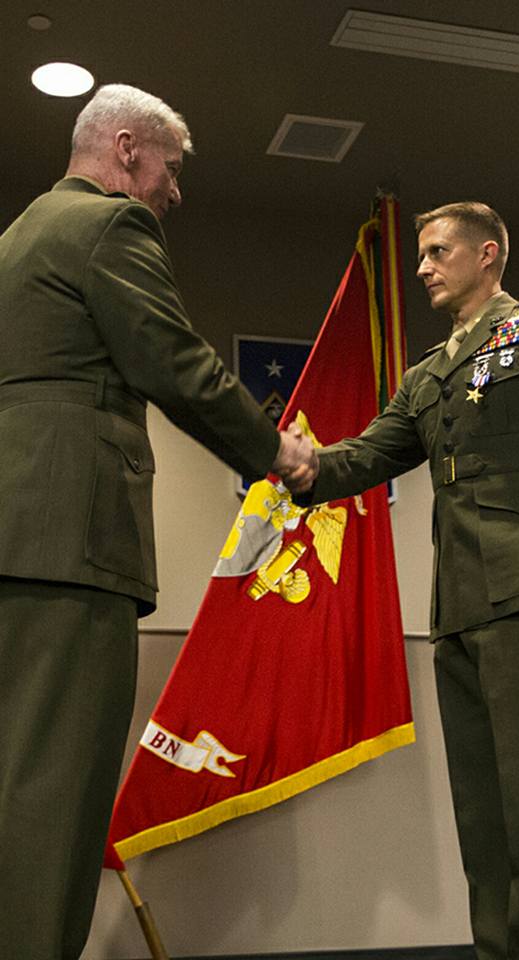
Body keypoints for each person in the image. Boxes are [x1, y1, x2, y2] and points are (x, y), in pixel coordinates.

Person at [0, 84, 316, 958]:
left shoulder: (15, 238)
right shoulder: (110, 226)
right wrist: (277, 451)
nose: (174, 192)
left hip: (16, 539)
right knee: (54, 797)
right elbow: (175, 364)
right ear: (127, 148)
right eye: (170, 170)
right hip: (70, 547)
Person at [309, 201, 519, 959]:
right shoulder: (428, 374)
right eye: (420, 255)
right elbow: (365, 456)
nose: (422, 267)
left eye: (437, 251)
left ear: (487, 254)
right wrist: (291, 459)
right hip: (457, 604)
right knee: (481, 812)